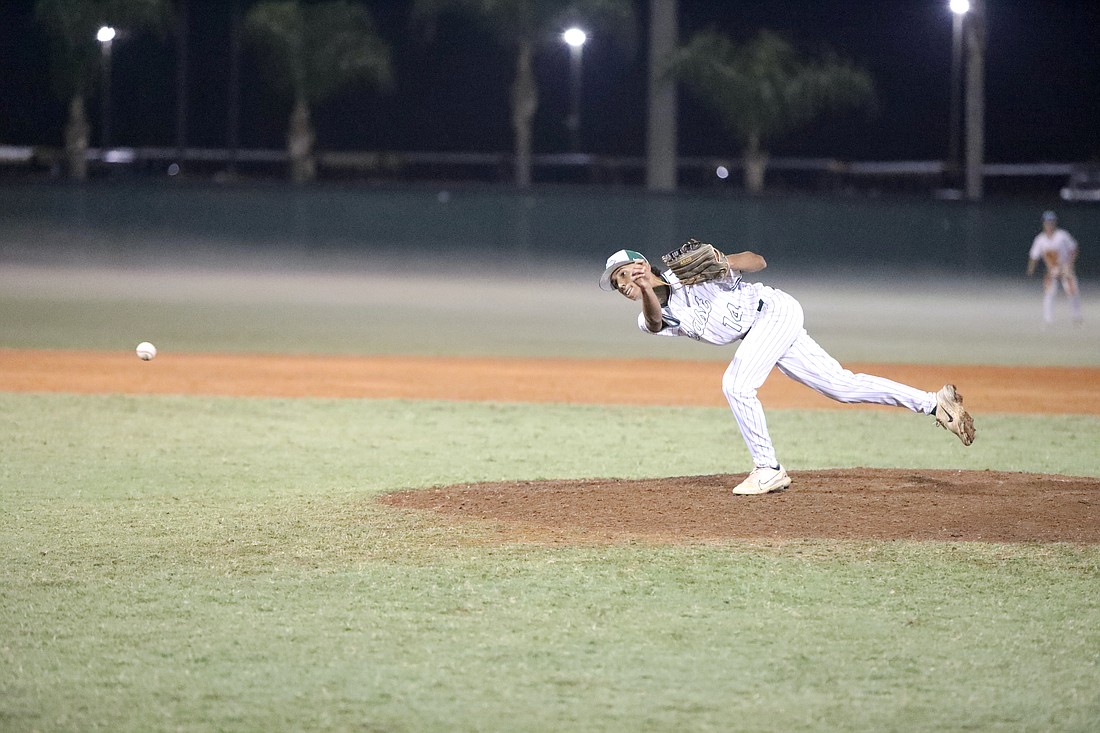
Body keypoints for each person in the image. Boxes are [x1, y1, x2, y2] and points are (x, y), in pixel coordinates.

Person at [599, 245, 976, 495]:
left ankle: (768, 468)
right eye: (617, 284)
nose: (623, 285)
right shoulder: (650, 315)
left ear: (642, 265)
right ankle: (935, 403)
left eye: (625, 274)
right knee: (841, 386)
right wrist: (646, 289)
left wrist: (723, 261)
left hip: (774, 311)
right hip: (763, 330)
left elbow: (758, 261)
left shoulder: (690, 274)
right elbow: (653, 320)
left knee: (736, 385)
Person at [1027, 210, 1082, 325]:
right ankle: (1048, 318)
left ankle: (1076, 316)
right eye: (1047, 222)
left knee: (1072, 291)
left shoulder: (1062, 236)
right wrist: (1031, 269)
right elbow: (1034, 256)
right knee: (1049, 292)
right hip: (1051, 269)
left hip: (1065, 267)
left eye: (1051, 222)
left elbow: (1074, 249)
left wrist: (1069, 265)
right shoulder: (1040, 239)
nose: (1049, 225)